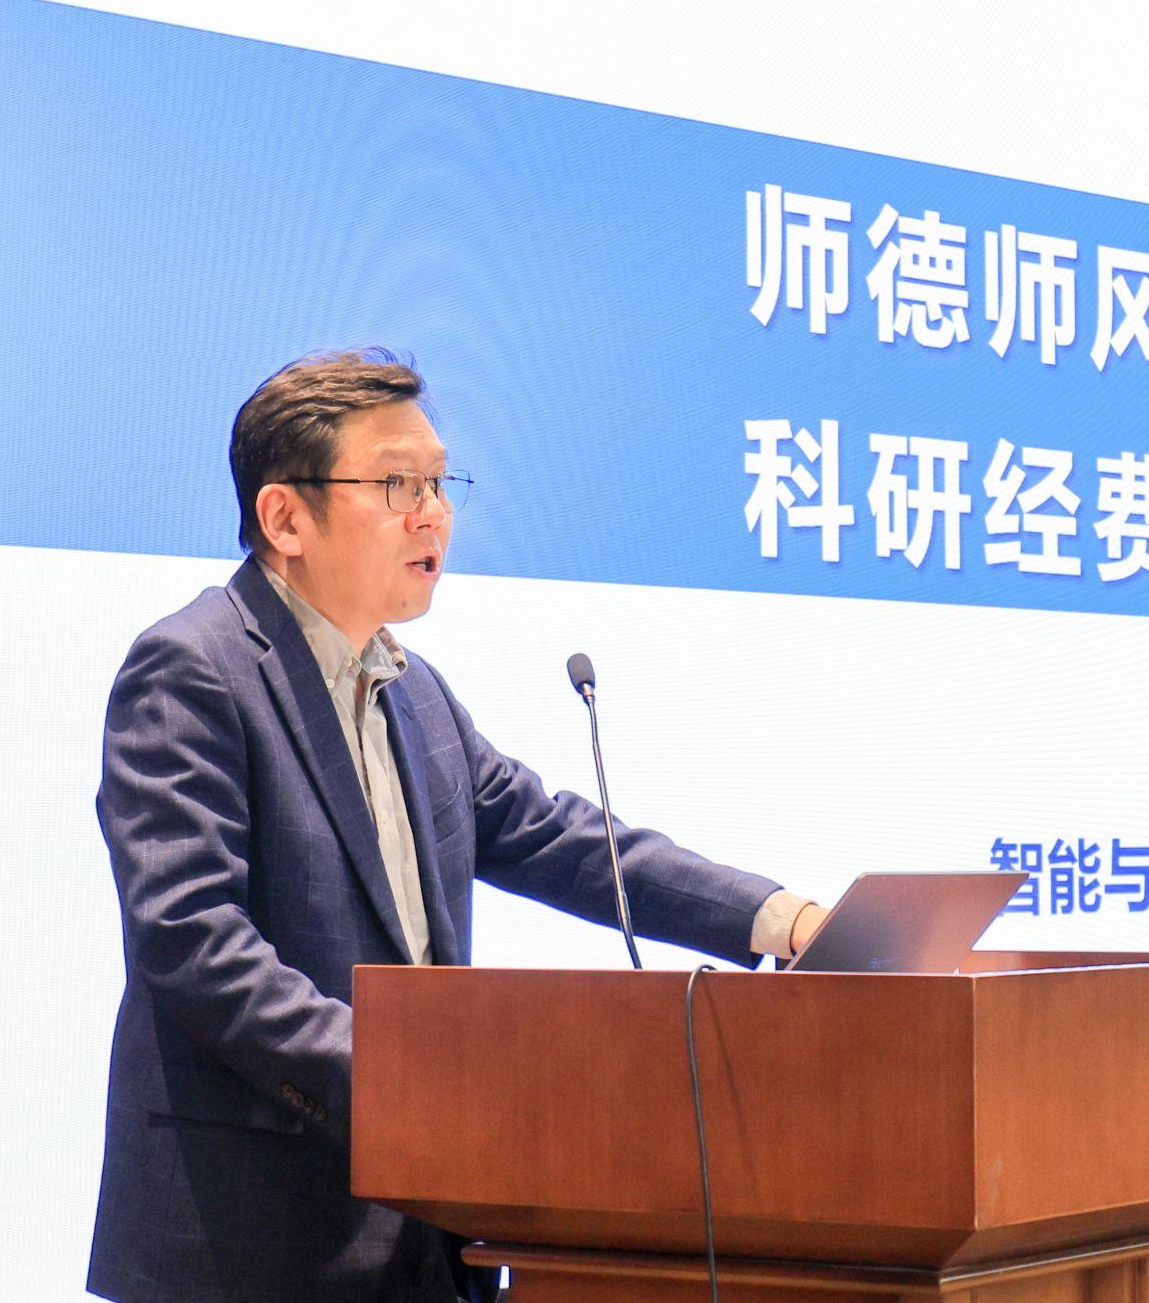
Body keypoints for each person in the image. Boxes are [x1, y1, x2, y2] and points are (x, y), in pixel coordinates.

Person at [86, 350, 823, 1302]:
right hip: (254, 1241)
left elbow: (561, 839)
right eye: (398, 483)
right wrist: (411, 1080)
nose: (433, 512)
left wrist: (781, 919)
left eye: (440, 483)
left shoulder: (416, 693)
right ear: (284, 518)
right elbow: (192, 941)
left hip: (427, 1234)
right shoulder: (194, 669)